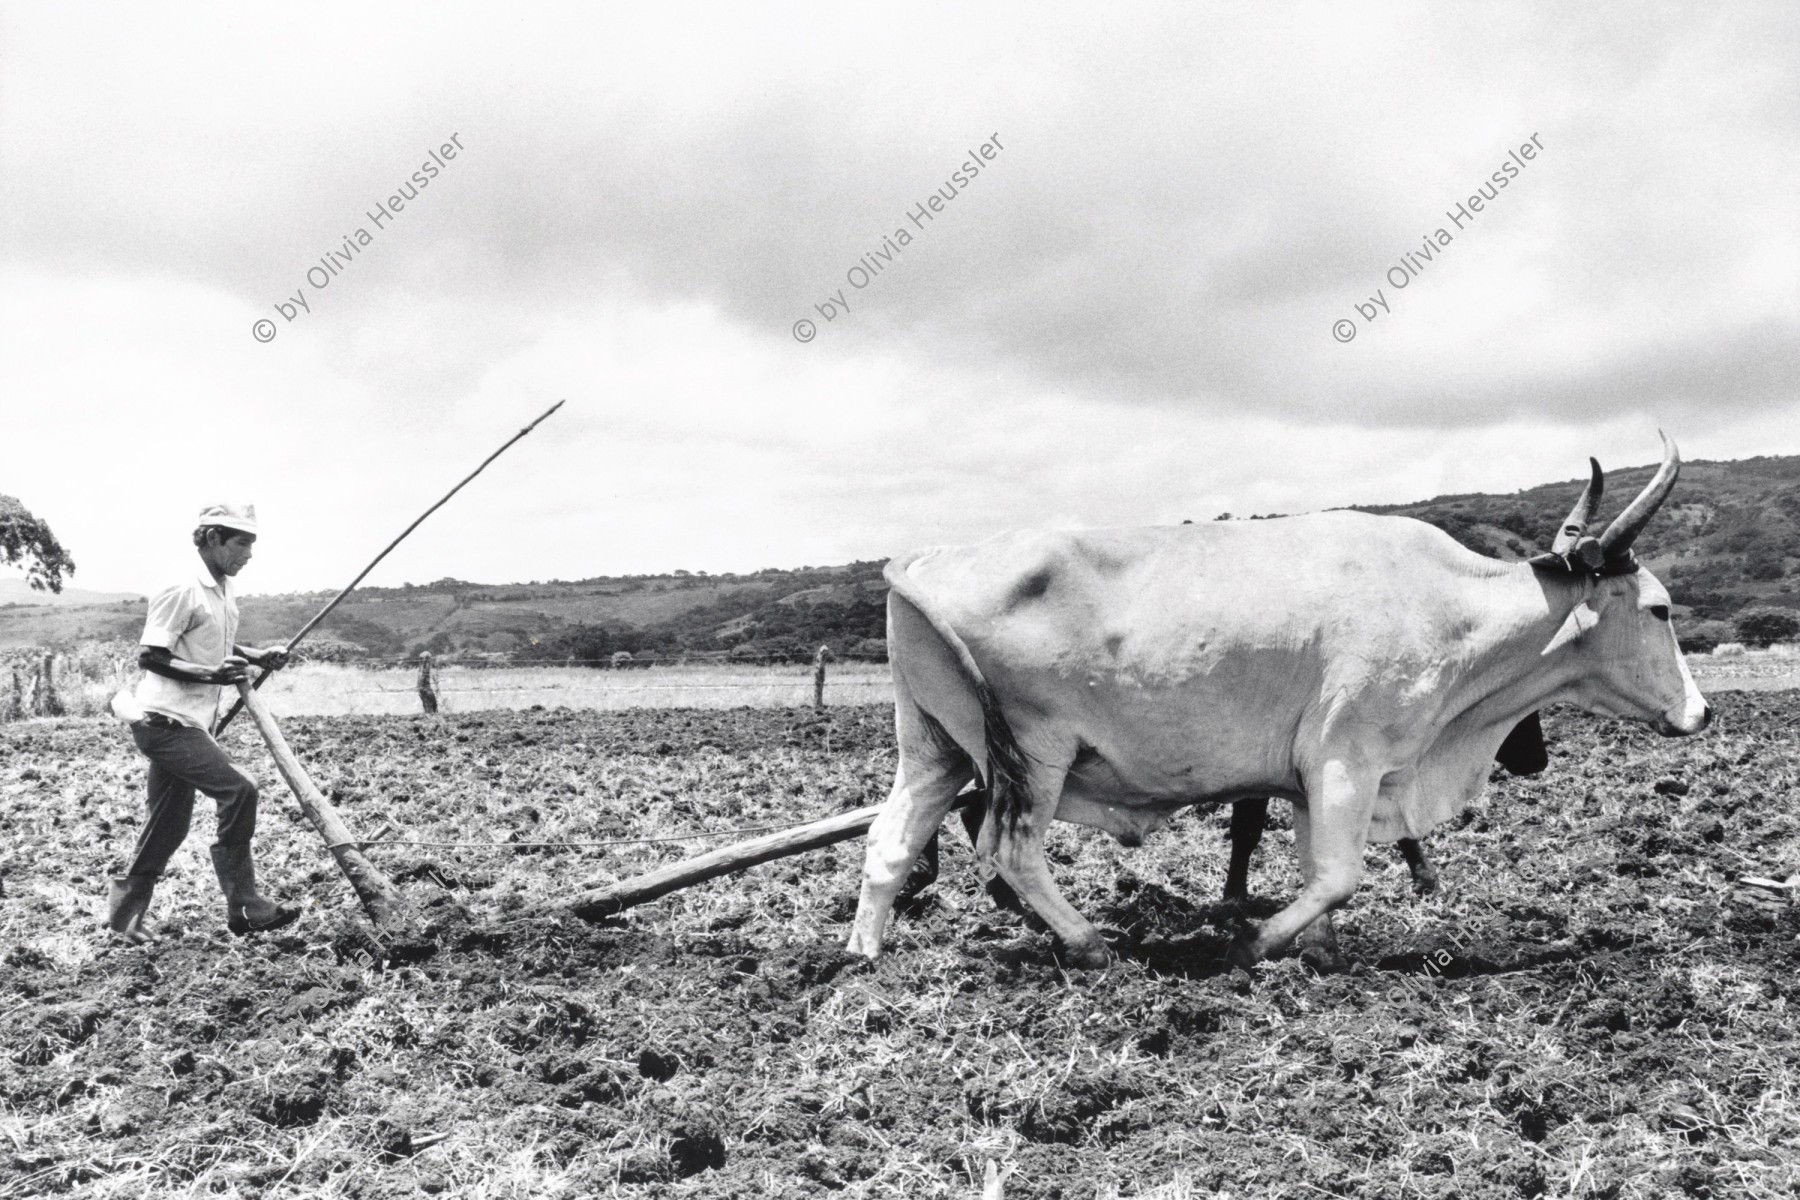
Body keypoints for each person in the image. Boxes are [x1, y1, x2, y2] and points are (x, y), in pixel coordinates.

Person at [105, 503, 300, 944]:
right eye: (242, 542)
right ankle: (245, 906)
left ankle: (122, 922)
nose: (249, 553)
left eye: (252, 543)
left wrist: (256, 656)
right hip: (164, 723)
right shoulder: (181, 586)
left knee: (168, 825)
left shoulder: (222, 588)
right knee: (240, 790)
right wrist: (211, 676)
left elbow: (217, 642)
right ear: (212, 539)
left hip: (192, 723)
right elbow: (151, 655)